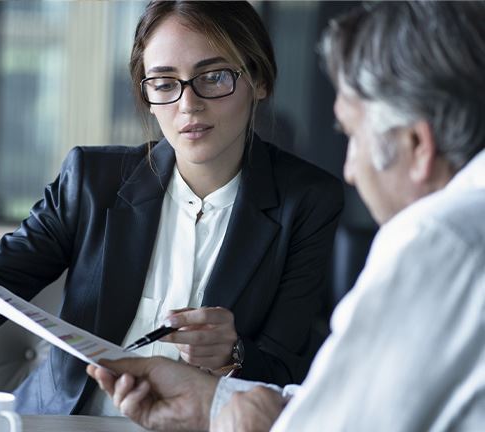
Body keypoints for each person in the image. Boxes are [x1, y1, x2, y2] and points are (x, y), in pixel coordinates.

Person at [0, 1, 343, 416]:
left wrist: (233, 355)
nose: (189, 104)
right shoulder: (91, 180)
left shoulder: (307, 201)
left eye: (214, 76)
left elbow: (289, 370)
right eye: (164, 83)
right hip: (61, 425)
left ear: (258, 80)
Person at [87, 1, 485, 430]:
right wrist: (212, 402)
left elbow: (336, 423)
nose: (350, 169)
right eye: (165, 83)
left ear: (417, 145)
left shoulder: (437, 239)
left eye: (352, 135)